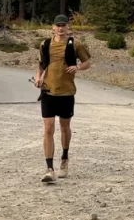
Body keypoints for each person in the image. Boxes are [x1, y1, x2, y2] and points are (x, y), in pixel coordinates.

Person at [34, 14, 92, 184]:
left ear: (68, 27)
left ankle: (64, 158)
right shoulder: (45, 44)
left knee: (65, 127)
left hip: (67, 92)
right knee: (48, 128)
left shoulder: (75, 44)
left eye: (63, 25)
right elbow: (41, 65)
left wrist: (78, 67)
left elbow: (87, 62)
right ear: (53, 27)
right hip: (48, 91)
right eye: (57, 25)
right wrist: (38, 78)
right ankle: (49, 169)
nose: (60, 28)